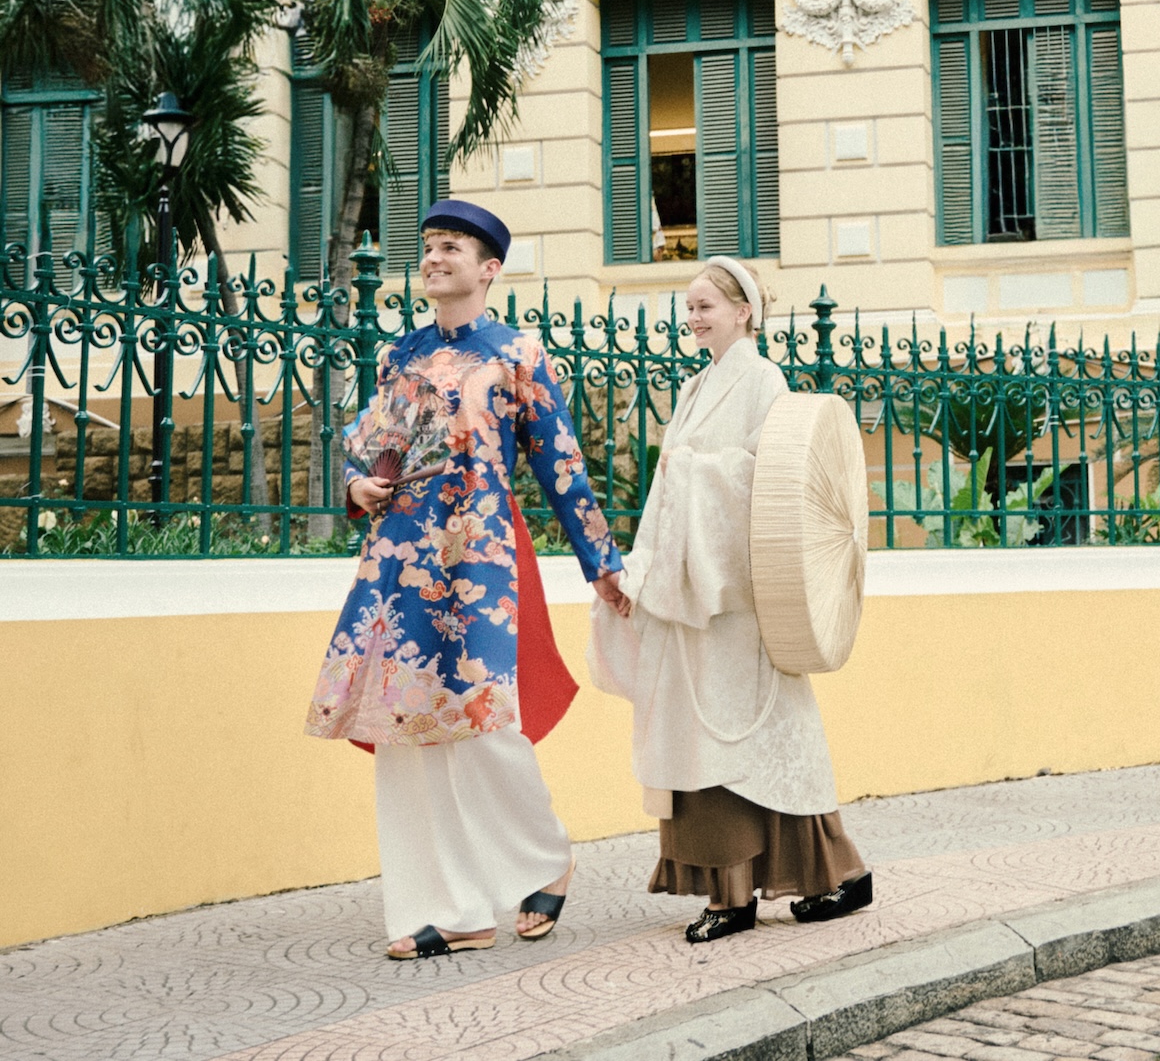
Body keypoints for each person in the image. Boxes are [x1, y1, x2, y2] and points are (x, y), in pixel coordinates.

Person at [304, 199, 632, 960]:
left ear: (488, 268)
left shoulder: (517, 354)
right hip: (396, 561)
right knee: (404, 727)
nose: (434, 257)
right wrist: (357, 489)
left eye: (451, 246)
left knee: (484, 722)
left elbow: (562, 466)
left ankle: (542, 857)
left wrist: (603, 564)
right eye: (428, 246)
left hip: (476, 558)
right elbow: (363, 450)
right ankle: (451, 909)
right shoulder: (399, 358)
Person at [590, 257, 872, 943]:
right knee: (703, 738)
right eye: (688, 308)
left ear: (744, 311)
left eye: (705, 306)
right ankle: (758, 885)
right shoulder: (694, 386)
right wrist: (643, 569)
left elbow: (768, 482)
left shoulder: (763, 379)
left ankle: (782, 886)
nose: (693, 318)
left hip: (736, 598)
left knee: (754, 738)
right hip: (688, 590)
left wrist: (689, 472)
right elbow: (665, 495)